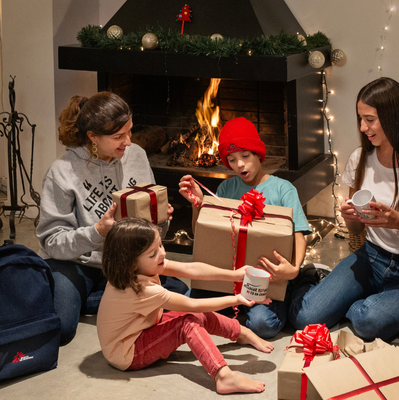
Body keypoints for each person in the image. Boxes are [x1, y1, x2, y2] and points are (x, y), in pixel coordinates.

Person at [288, 77, 399, 342]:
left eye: (370, 119)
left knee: (368, 323)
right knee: (306, 318)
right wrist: (349, 217)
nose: (363, 127)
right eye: (360, 119)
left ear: (393, 117)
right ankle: (318, 284)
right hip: (369, 258)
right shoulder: (360, 159)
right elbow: (356, 230)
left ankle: (353, 301)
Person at [36, 92, 188, 346]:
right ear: (92, 137)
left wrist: (160, 221)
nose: (128, 142)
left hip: (125, 261)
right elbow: (51, 241)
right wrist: (97, 232)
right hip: (75, 261)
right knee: (62, 328)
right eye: (118, 137)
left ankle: (104, 296)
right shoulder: (62, 172)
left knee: (180, 291)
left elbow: (152, 234)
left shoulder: (137, 155)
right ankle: (102, 296)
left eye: (129, 132)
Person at [97, 218, 272, 394]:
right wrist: (236, 299)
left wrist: (234, 275)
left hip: (141, 329)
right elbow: (192, 304)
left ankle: (241, 333)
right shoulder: (140, 289)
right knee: (187, 322)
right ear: (131, 262)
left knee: (194, 316)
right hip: (128, 353)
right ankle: (224, 376)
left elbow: (191, 270)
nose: (162, 254)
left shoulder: (134, 269)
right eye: (153, 253)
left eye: (161, 246)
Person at [179, 117, 312, 339]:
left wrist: (295, 268)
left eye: (245, 156)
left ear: (259, 154)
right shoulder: (226, 187)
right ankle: (235, 309)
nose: (239, 164)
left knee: (263, 324)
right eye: (231, 159)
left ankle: (297, 286)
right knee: (189, 305)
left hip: (268, 280)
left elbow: (299, 233)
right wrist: (198, 205)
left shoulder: (283, 189)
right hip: (229, 277)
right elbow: (203, 235)